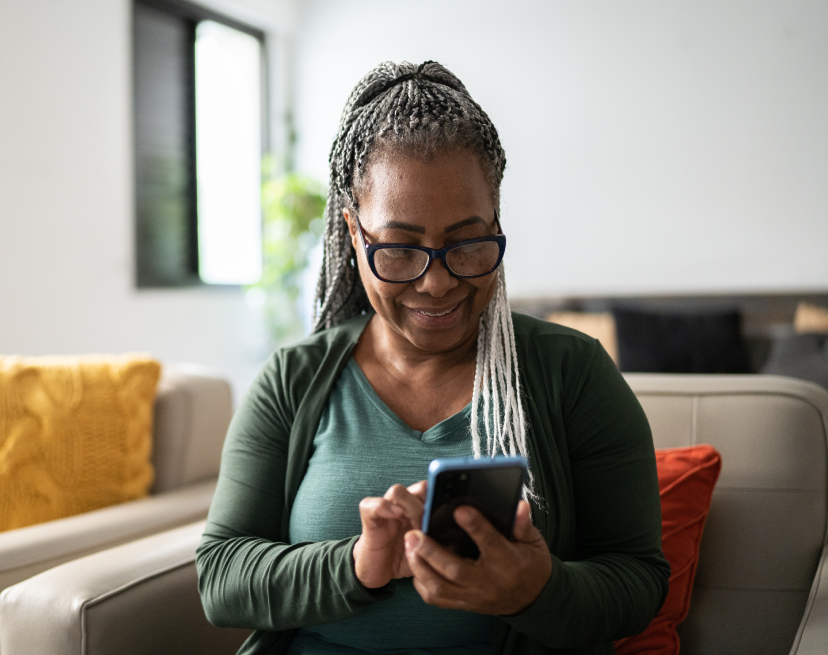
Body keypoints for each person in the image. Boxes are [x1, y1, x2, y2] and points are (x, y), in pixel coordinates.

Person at [196, 60, 669, 655]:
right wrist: (358, 564)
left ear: (497, 223)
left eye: (467, 244)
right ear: (353, 233)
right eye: (399, 249)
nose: (437, 283)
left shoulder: (572, 375)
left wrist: (537, 590)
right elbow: (221, 576)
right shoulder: (293, 380)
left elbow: (638, 580)